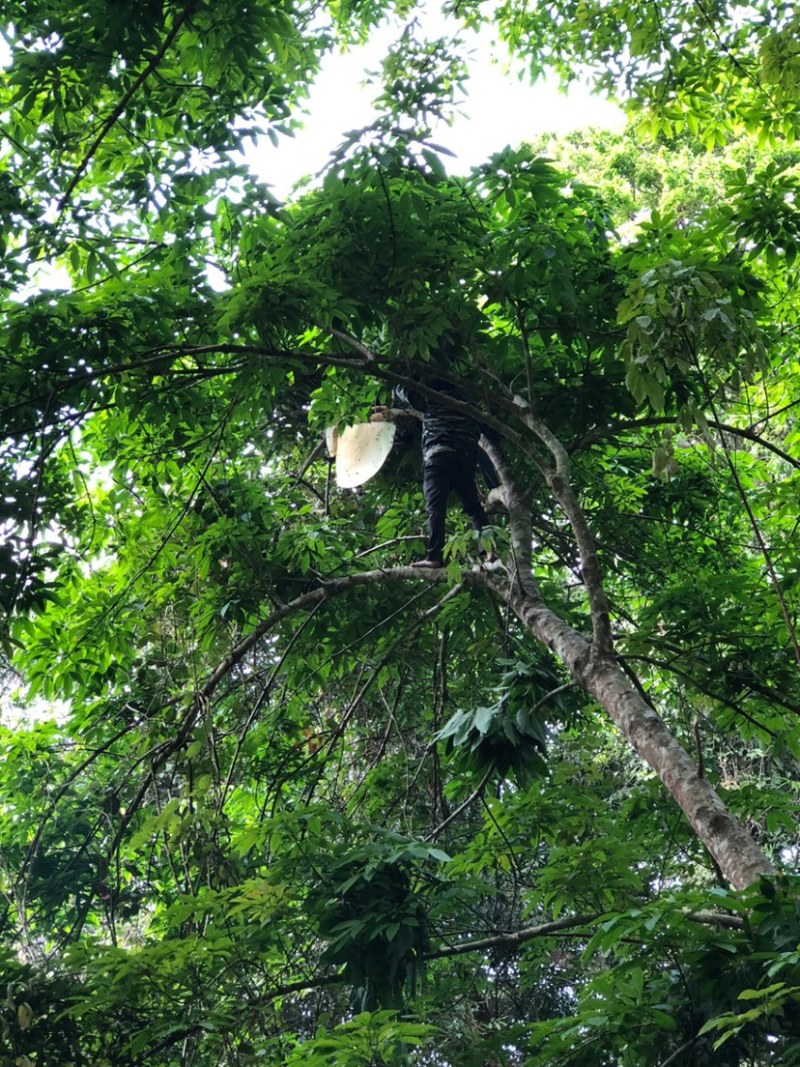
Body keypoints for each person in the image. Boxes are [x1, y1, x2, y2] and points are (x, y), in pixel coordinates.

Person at [374, 377, 497, 569]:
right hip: (466, 461)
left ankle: (434, 556)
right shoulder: (469, 406)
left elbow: (402, 391)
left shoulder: (432, 400)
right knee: (474, 509)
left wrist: (397, 381)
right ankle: (490, 551)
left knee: (436, 509)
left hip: (439, 458)